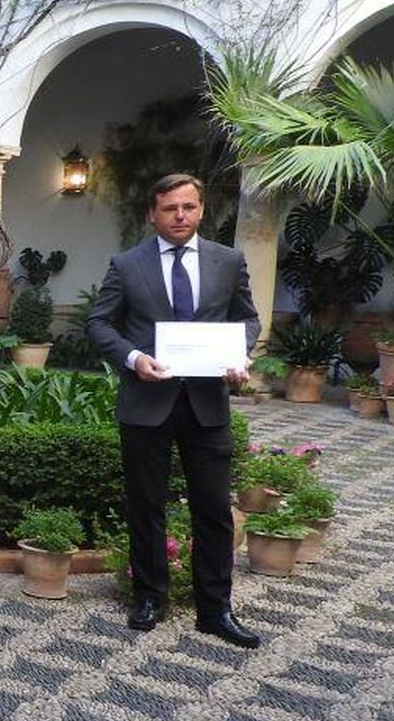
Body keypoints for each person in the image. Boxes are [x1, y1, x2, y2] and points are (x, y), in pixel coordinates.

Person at [87, 173, 262, 648]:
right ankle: (149, 596)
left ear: (201, 210)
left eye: (188, 207)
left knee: (214, 509)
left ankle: (216, 609)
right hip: (146, 403)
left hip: (207, 404)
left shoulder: (228, 262)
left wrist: (240, 355)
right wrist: (133, 358)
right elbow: (99, 323)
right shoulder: (127, 264)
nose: (180, 216)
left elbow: (247, 318)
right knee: (145, 505)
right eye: (170, 209)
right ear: (153, 213)